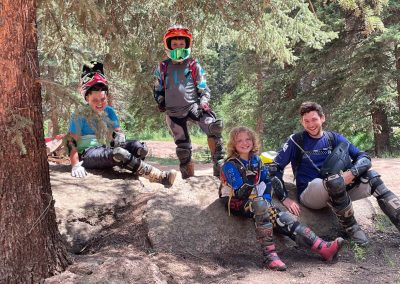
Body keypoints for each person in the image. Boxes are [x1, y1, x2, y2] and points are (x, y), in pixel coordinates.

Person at [273, 101, 400, 245]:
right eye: (306, 121)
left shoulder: (333, 138)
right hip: (311, 193)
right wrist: (284, 198)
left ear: (323, 118)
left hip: (338, 189)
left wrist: (352, 173)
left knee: (372, 178)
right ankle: (352, 228)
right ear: (302, 122)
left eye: (314, 119)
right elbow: (275, 168)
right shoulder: (296, 140)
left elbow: (364, 157)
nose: (311, 124)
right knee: (334, 180)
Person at [220, 126, 343, 271]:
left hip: (256, 199)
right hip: (234, 201)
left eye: (248, 139)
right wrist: (261, 200)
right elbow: (240, 192)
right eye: (239, 140)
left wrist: (266, 198)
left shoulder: (256, 160)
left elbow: (266, 182)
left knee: (282, 217)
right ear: (233, 144)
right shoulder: (229, 165)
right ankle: (269, 257)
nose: (244, 143)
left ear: (253, 141)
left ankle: (323, 248)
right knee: (260, 205)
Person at [67, 61, 176, 187]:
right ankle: (158, 176)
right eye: (95, 100)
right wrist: (75, 165)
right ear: (86, 98)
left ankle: (131, 165)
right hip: (87, 154)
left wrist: (119, 136)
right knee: (119, 153)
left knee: (140, 148)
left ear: (107, 96)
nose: (100, 103)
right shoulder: (79, 114)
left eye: (103, 99)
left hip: (105, 149)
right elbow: (70, 142)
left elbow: (117, 132)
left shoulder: (109, 111)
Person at [153, 24, 225, 179]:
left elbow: (203, 86)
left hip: (193, 106)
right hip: (173, 111)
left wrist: (204, 101)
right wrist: (160, 100)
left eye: (181, 44)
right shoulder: (163, 66)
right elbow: (157, 87)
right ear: (168, 45)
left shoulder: (193, 65)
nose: (178, 47)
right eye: (174, 44)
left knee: (214, 127)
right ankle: (188, 176)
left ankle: (220, 166)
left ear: (187, 44)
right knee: (183, 147)